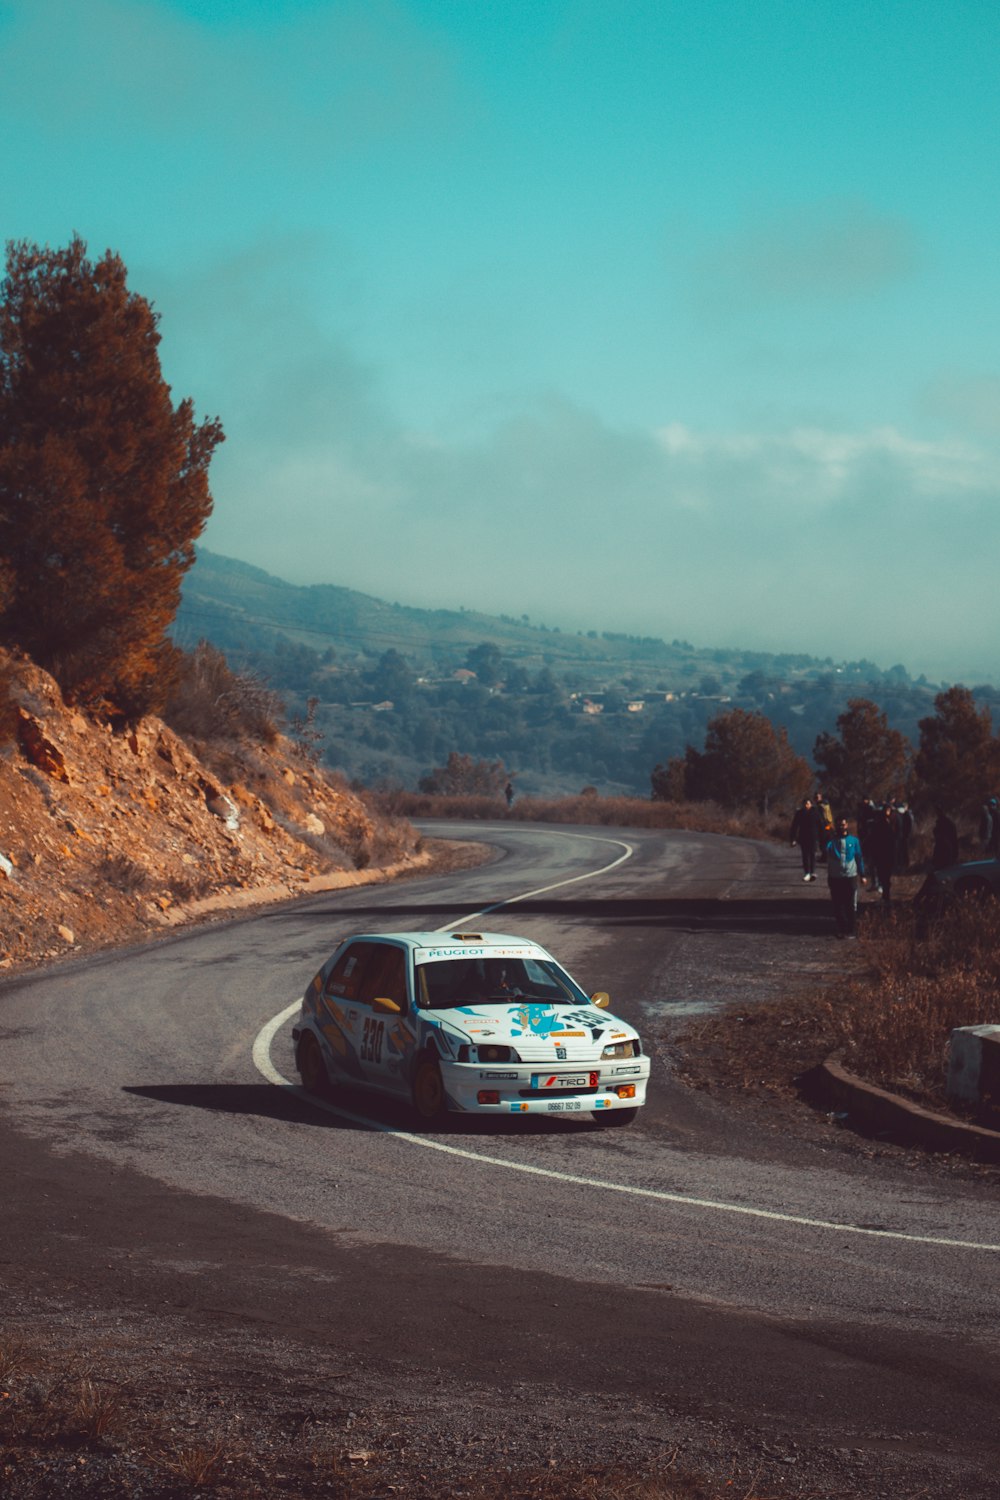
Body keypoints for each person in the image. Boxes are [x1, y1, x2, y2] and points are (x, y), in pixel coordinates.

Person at [825, 815, 867, 938]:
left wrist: (862, 874)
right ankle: (842, 929)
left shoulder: (854, 841)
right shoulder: (831, 842)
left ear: (847, 825)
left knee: (850, 904)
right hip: (835, 877)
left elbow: (859, 858)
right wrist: (828, 833)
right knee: (838, 904)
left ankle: (851, 930)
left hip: (850, 876)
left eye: (843, 824)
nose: (841, 827)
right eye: (839, 825)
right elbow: (825, 849)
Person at [868, 803, 898, 904]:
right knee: (883, 875)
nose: (887, 812)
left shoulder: (893, 822)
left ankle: (886, 897)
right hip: (881, 853)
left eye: (889, 810)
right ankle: (885, 897)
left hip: (889, 854)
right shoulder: (879, 824)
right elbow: (873, 839)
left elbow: (896, 839)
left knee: (886, 877)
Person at [789, 797, 821, 881]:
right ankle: (807, 873)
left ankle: (813, 872)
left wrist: (822, 837)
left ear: (811, 804)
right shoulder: (799, 813)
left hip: (813, 837)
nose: (807, 805)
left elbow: (821, 825)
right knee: (805, 855)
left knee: (813, 855)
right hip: (803, 837)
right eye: (805, 804)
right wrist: (793, 839)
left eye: (808, 803)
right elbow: (794, 826)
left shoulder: (816, 813)